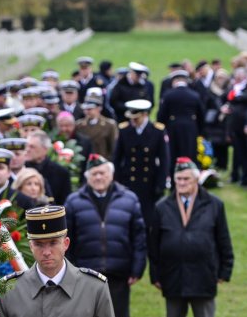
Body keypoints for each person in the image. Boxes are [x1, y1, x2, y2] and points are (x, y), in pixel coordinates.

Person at [149, 158, 234, 317]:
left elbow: (223, 239)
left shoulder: (214, 205)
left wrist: (225, 270)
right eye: (178, 179)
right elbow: (154, 245)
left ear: (197, 179)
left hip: (204, 273)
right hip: (172, 274)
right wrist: (155, 274)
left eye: (186, 179)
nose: (182, 183)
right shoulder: (162, 207)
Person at [64, 155, 146, 317]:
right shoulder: (73, 201)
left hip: (118, 271)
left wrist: (137, 268)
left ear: (111, 175)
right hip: (87, 272)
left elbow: (138, 237)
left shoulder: (129, 199)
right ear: (87, 177)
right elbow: (66, 239)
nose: (99, 177)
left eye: (103, 173)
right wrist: (71, 269)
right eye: (94, 174)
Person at [112, 99, 168, 227]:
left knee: (149, 219)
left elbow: (164, 160)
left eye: (136, 118)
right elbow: (117, 158)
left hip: (149, 182)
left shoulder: (157, 131)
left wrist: (161, 183)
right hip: (128, 181)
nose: (133, 121)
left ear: (145, 115)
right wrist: (117, 181)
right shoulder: (125, 130)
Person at [157, 70, 203, 178]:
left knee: (174, 154)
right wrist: (199, 130)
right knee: (190, 153)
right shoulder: (194, 95)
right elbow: (201, 115)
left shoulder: (168, 95)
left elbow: (161, 115)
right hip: (190, 129)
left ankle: (174, 179)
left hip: (173, 128)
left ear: (174, 81)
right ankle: (191, 176)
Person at [24, 131, 71, 204]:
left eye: (32, 147)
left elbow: (65, 203)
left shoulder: (61, 173)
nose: (27, 149)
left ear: (45, 149)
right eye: (27, 146)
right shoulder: (22, 169)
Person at [75, 89, 117, 159]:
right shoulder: (79, 125)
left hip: (102, 162)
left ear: (99, 108)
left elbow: (113, 148)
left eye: (90, 109)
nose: (87, 111)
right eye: (86, 109)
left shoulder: (109, 125)